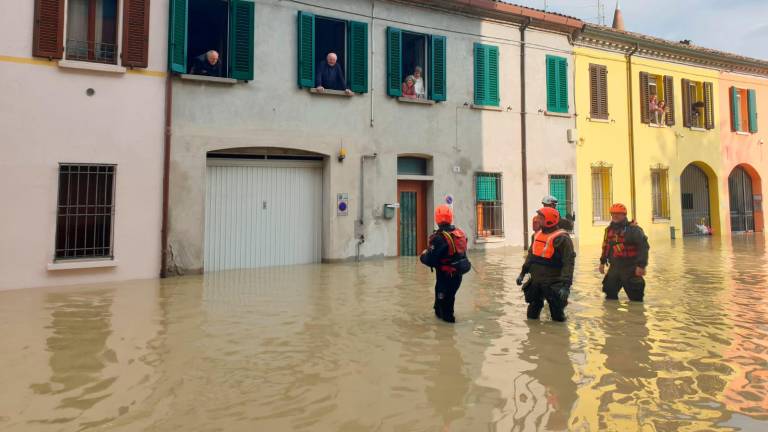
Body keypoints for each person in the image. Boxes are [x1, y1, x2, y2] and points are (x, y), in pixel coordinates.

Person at [517, 207, 576, 322]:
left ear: (549, 220)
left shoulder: (562, 239)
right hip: (536, 281)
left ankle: (559, 337)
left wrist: (565, 286)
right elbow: (530, 256)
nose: (538, 220)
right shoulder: (536, 235)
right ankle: (534, 338)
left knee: (557, 316)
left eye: (541, 218)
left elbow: (568, 263)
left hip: (553, 283)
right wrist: (522, 273)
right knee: (532, 314)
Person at [420, 205, 471, 323]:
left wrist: (422, 256)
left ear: (437, 219)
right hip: (457, 276)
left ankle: (446, 335)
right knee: (444, 302)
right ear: (450, 217)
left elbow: (431, 260)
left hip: (445, 277)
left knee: (445, 310)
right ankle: (443, 329)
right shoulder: (458, 233)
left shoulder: (439, 238)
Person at [599, 203, 650, 302]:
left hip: (631, 268)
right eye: (613, 213)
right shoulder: (609, 230)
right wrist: (602, 262)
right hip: (614, 268)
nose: (615, 216)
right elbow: (606, 246)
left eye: (618, 214)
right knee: (609, 295)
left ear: (624, 215)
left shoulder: (634, 230)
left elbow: (644, 247)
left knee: (636, 300)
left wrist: (641, 266)